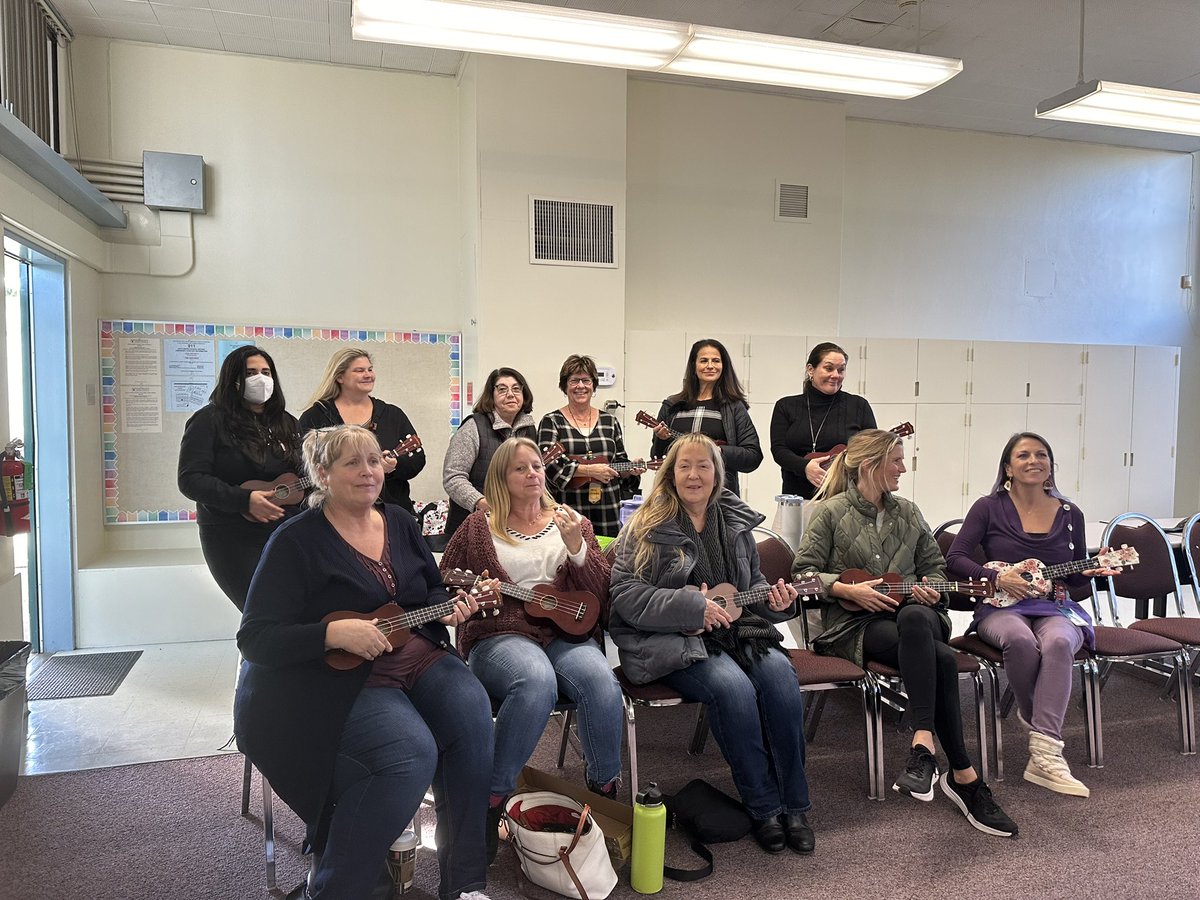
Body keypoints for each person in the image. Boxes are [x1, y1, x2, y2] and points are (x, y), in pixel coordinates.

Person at [236, 425, 494, 900]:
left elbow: (430, 590)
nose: (368, 471)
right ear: (322, 474)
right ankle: (336, 889)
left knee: (473, 714)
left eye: (373, 460)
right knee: (409, 753)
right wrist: (333, 633)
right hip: (348, 677)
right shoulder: (295, 540)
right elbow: (255, 638)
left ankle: (465, 884)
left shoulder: (399, 521)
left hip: (416, 655)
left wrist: (447, 608)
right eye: (352, 462)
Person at [792, 428, 1017, 838]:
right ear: (869, 464)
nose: (902, 468)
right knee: (941, 657)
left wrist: (932, 589)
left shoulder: (909, 513)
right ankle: (964, 776)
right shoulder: (829, 512)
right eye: (896, 460)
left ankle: (924, 744)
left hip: (918, 615)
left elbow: (936, 569)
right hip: (858, 624)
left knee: (914, 617)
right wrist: (845, 589)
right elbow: (802, 574)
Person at [609, 433, 814, 856]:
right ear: (670, 473)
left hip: (740, 633)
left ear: (718, 474)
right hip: (671, 640)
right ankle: (764, 808)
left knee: (781, 680)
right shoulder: (645, 526)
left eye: (703, 465)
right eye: (684, 465)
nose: (694, 474)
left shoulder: (735, 523)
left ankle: (795, 806)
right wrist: (691, 608)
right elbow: (625, 595)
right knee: (733, 690)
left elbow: (751, 586)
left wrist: (776, 603)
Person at [440, 436, 623, 863]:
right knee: (536, 680)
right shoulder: (479, 527)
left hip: (564, 635)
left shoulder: (571, 520)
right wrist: (473, 595)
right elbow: (446, 579)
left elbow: (600, 593)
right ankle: (492, 797)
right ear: (501, 477)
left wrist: (578, 548)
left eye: (537, 466)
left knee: (601, 681)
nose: (532, 474)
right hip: (499, 633)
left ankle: (604, 792)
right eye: (520, 468)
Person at [945, 432, 1117, 798]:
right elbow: (955, 559)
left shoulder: (1070, 514)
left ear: (1051, 466)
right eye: (1023, 455)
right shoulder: (988, 507)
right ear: (1008, 467)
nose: (1034, 460)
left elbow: (1075, 581)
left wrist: (1088, 572)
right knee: (1020, 640)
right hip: (1000, 607)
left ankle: (1045, 752)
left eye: (1042, 455)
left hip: (1055, 605)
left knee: (1059, 642)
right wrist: (996, 576)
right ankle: (1043, 730)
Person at [178, 345, 302, 611]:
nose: (261, 379)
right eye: (250, 373)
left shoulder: (287, 423)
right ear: (233, 379)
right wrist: (244, 500)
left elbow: (304, 473)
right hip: (231, 535)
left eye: (266, 372)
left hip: (286, 531)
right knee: (261, 611)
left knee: (295, 609)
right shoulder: (208, 420)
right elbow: (191, 479)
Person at [298, 348, 426, 517]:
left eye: (370, 369)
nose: (368, 375)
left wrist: (394, 466)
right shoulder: (315, 416)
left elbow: (418, 460)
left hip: (388, 513)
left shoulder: (392, 414)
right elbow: (301, 466)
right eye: (359, 370)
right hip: (333, 514)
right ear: (339, 377)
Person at [537, 354, 644, 538]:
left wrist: (629, 470)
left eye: (586, 380)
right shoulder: (552, 421)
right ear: (565, 386)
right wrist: (589, 470)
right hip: (567, 510)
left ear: (593, 385)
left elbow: (619, 461)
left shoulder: (610, 421)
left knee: (605, 555)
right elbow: (549, 465)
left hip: (607, 511)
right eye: (574, 380)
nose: (581, 386)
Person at [649, 339, 761, 494]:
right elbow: (657, 458)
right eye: (703, 361)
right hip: (675, 494)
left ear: (723, 366)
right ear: (694, 366)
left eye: (716, 361)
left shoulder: (734, 407)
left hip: (721, 495)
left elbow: (753, 456)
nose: (710, 366)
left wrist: (717, 451)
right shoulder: (672, 405)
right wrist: (661, 439)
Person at [770, 341, 876, 499]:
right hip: (797, 499)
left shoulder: (859, 406)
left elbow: (871, 451)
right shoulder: (785, 406)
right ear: (810, 369)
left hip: (845, 499)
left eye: (841, 370)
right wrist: (805, 467)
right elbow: (779, 450)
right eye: (829, 368)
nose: (836, 375)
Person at [442, 367, 537, 540]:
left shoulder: (529, 430)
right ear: (491, 396)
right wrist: (481, 503)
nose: (510, 394)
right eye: (502, 389)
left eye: (516, 389)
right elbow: (453, 477)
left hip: (516, 526)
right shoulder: (473, 427)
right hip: (471, 527)